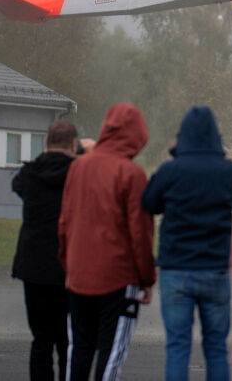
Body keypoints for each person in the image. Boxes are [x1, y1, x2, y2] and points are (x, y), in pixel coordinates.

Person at [142, 106, 232, 381]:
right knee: (216, 348)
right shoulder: (231, 172)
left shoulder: (169, 171)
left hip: (176, 269)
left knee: (177, 347)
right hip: (215, 268)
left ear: (182, 136)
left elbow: (149, 203)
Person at [58, 103, 156, 381]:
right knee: (111, 353)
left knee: (79, 349)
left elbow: (64, 222)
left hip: (78, 275)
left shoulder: (77, 167)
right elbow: (140, 232)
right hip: (117, 277)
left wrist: (68, 266)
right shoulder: (132, 174)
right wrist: (146, 279)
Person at [11, 120, 85, 381]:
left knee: (40, 338)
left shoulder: (29, 175)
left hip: (32, 265)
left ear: (46, 143)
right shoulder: (78, 173)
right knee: (68, 340)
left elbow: (17, 185)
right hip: (68, 264)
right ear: (73, 144)